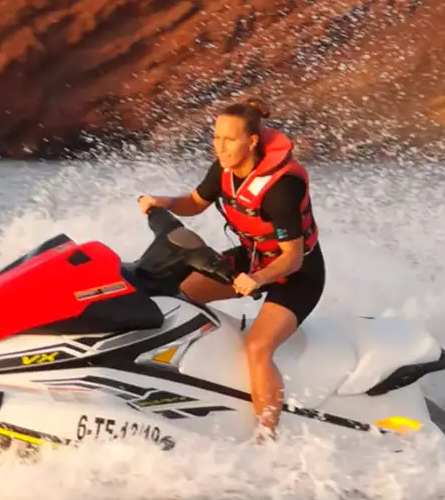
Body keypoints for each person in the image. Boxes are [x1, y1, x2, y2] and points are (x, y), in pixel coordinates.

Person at [137, 99, 325, 441]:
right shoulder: (223, 170)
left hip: (297, 275)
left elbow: (293, 258)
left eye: (229, 140)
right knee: (181, 296)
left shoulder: (282, 188)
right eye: (216, 138)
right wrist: (166, 202)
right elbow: (195, 203)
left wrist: (258, 279)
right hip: (252, 259)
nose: (219, 147)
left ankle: (266, 436)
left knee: (258, 346)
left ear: (251, 142)